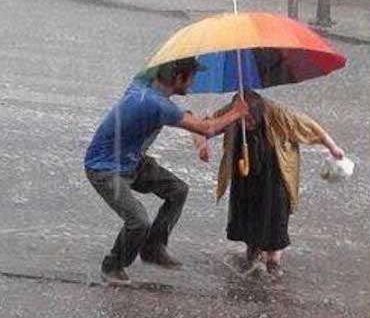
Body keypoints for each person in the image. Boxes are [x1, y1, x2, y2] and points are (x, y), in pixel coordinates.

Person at [85, 58, 249, 285]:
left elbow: (191, 119)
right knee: (138, 221)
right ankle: (113, 265)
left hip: (133, 161)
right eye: (190, 78)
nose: (192, 84)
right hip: (104, 169)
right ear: (177, 78)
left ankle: (152, 248)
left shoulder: (142, 83)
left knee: (178, 190)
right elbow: (207, 128)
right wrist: (236, 112)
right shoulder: (157, 105)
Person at [199, 90, 344, 276]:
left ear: (259, 112)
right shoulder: (232, 111)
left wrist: (333, 148)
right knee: (248, 211)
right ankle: (253, 250)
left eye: (250, 120)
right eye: (241, 120)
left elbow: (311, 128)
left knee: (275, 213)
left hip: (275, 169)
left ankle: (274, 261)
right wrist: (202, 145)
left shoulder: (279, 114)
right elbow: (203, 128)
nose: (246, 124)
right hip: (245, 169)